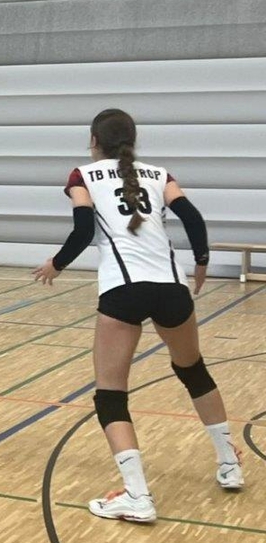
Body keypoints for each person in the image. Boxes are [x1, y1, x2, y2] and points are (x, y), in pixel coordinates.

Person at [32, 109, 244, 523]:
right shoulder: (160, 175)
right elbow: (192, 216)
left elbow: (82, 229)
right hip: (172, 288)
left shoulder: (82, 176)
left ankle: (137, 495)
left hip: (123, 290)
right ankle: (229, 465)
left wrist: (56, 264)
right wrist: (201, 261)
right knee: (193, 371)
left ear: (94, 140)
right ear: (133, 139)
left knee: (110, 394)